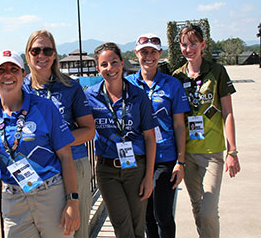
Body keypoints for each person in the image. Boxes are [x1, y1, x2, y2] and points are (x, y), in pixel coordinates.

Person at [0, 50, 80, 238]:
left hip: (51, 194)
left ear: (23, 74)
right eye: (1, 70)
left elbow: (66, 157)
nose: (7, 74)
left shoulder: (45, 107)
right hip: (13, 199)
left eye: (13, 69)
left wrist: (72, 202)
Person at [22, 29, 95, 238]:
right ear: (28, 54)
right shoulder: (21, 88)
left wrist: (59, 141)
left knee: (77, 230)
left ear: (54, 55)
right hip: (39, 170)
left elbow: (89, 131)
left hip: (75, 162)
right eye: (35, 51)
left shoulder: (70, 86)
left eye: (47, 50)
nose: (41, 55)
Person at [172, 25, 241, 237]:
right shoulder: (177, 76)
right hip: (188, 153)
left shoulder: (217, 71)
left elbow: (227, 112)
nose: (188, 48)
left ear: (202, 45)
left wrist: (232, 151)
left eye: (193, 44)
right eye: (184, 44)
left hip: (212, 153)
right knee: (198, 207)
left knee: (209, 210)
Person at [85, 42, 157, 238]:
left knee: (137, 225)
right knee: (121, 225)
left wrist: (149, 177)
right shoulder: (89, 97)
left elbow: (150, 138)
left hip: (136, 168)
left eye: (114, 62)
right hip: (107, 171)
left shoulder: (138, 95)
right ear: (98, 68)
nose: (110, 68)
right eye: (104, 64)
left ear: (122, 63)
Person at [127, 33, 190, 238]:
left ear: (160, 54)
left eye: (153, 52)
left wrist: (181, 162)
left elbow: (180, 125)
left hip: (165, 157)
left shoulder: (172, 84)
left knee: (162, 214)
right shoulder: (128, 84)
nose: (149, 56)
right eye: (144, 52)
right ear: (136, 53)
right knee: (146, 215)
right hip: (139, 157)